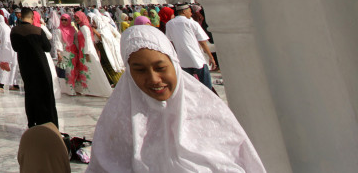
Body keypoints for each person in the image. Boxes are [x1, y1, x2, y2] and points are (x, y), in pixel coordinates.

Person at [88, 25, 265, 172]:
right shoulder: (117, 120)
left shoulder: (208, 112)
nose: (154, 79)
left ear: (174, 64)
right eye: (140, 70)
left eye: (161, 67)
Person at [10, 8, 58, 128]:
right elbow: (47, 48)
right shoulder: (37, 30)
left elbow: (15, 48)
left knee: (30, 93)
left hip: (25, 67)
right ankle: (49, 122)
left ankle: (32, 121)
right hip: (40, 66)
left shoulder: (14, 31)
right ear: (32, 18)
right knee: (46, 93)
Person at [164, 2, 218, 92]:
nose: (191, 13)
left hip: (182, 59)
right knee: (206, 86)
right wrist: (211, 57)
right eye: (189, 11)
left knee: (190, 86)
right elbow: (203, 42)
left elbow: (171, 41)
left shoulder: (169, 24)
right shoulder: (191, 23)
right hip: (197, 58)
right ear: (184, 11)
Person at [72, 11, 111, 98]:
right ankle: (89, 88)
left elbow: (88, 40)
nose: (76, 20)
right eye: (75, 18)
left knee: (90, 69)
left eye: (78, 18)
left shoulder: (84, 28)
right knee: (88, 70)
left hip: (87, 51)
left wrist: (87, 52)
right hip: (84, 51)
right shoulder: (82, 26)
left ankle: (96, 89)